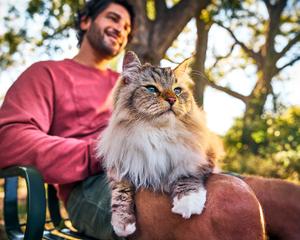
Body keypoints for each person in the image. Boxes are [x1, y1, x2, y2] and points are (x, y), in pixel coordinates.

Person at [0, 0, 265, 239]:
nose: (121, 29)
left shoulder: (134, 80)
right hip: (97, 184)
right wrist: (104, 153)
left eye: (127, 27)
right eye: (113, 18)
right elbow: (8, 141)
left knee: (286, 200)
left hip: (174, 164)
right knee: (233, 204)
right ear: (85, 21)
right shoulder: (48, 73)